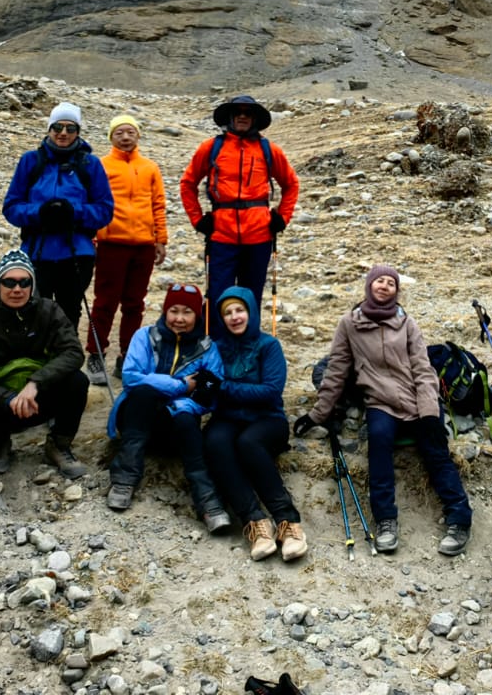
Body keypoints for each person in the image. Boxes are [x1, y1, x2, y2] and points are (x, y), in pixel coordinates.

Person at [294, 264, 473, 557]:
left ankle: (459, 519)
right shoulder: (349, 324)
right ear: (369, 285)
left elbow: (423, 369)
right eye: (380, 281)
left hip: (416, 400)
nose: (385, 286)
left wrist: (429, 411)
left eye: (391, 283)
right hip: (380, 402)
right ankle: (386, 521)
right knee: (378, 443)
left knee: (436, 451)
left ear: (396, 290)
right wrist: (318, 414)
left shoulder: (407, 323)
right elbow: (336, 371)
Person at [106, 281, 230, 532]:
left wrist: (182, 403)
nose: (180, 318)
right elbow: (131, 377)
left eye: (187, 312)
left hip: (175, 429)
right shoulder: (145, 336)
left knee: (184, 414)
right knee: (142, 394)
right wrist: (182, 385)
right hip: (135, 419)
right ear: (165, 311)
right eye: (174, 311)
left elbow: (208, 393)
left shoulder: (207, 348)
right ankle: (124, 479)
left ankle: (207, 501)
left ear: (198, 315)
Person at [0, 250, 91, 478]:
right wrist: (7, 398)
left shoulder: (50, 311)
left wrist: (35, 383)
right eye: (9, 282)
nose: (16, 289)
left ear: (32, 284)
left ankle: (58, 444)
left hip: (39, 398)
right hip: (1, 403)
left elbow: (73, 352)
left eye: (24, 282)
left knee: (77, 381)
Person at [203, 286, 308, 562]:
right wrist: (218, 388)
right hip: (227, 418)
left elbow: (270, 391)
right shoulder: (216, 347)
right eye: (228, 313)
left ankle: (288, 522)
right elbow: (203, 386)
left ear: (251, 312)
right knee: (215, 442)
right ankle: (255, 523)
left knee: (248, 443)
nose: (235, 317)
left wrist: (223, 386)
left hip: (268, 419)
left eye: (240, 310)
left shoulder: (268, 345)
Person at [2, 102, 115, 347]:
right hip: (36, 252)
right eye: (57, 127)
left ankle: (64, 366)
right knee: (32, 311)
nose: (63, 133)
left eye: (70, 128)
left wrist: (73, 213)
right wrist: (39, 213)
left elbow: (105, 210)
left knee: (68, 313)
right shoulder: (31, 161)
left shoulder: (90, 164)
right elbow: (11, 207)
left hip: (76, 254)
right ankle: (34, 366)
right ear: (49, 128)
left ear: (78, 131)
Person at [179, 95, 299, 315]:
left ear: (254, 119)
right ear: (230, 117)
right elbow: (188, 183)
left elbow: (291, 184)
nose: (243, 116)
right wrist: (197, 219)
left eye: (248, 113)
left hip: (259, 235)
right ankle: (216, 346)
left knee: (251, 295)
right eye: (238, 112)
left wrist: (282, 217)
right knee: (218, 294)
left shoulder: (269, 150)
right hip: (221, 235)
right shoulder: (211, 148)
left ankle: (249, 346)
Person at [88, 114, 169, 385]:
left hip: (143, 246)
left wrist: (161, 239)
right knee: (105, 302)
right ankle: (96, 354)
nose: (125, 137)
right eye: (119, 132)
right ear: (111, 137)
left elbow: (158, 204)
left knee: (135, 303)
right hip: (111, 243)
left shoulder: (150, 167)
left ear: (138, 136)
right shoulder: (101, 165)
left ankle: (128, 355)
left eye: (130, 132)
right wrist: (92, 236)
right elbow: (93, 201)